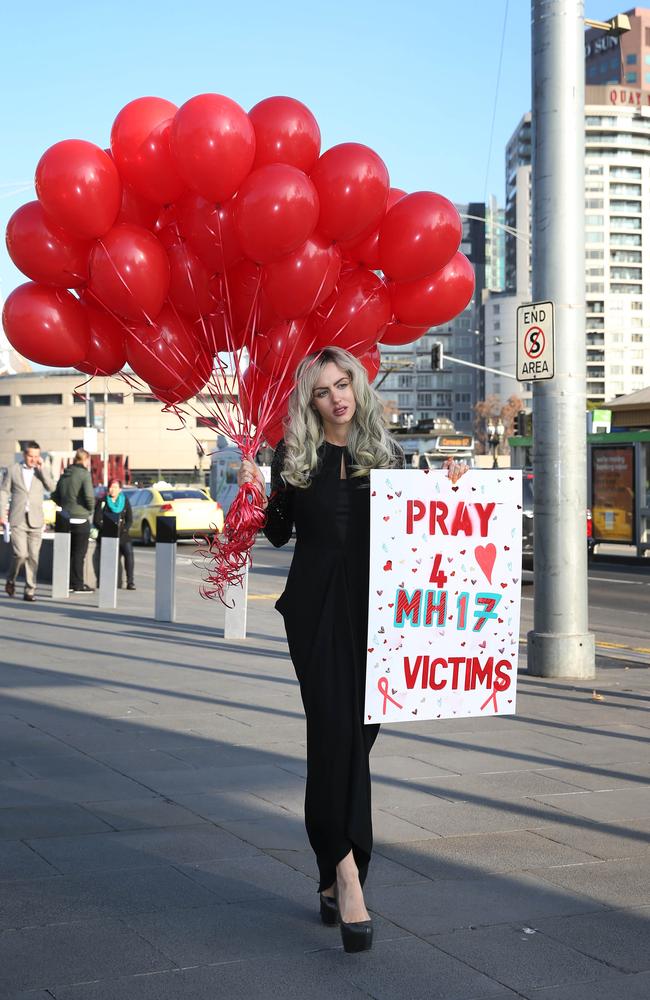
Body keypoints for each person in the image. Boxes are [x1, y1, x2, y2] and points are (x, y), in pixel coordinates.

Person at [238, 346, 469, 953]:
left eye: (344, 385)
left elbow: (424, 524)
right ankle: (348, 877)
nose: (337, 397)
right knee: (334, 734)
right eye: (323, 391)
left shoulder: (386, 455)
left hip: (378, 615)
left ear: (357, 388)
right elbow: (280, 533)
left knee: (353, 741)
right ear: (310, 403)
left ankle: (325, 874)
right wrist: (257, 489)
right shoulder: (296, 455)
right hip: (314, 612)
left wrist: (454, 483)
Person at [0, 440, 55, 602]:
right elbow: (4, 492)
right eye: (31, 456)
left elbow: (51, 488)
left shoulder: (41, 470)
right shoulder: (12, 470)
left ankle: (30, 590)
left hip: (36, 519)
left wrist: (42, 469)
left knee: (33, 557)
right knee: (20, 554)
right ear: (25, 455)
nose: (33, 459)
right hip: (18, 519)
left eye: (36, 456)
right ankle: (11, 579)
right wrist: (2, 513)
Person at [51, 449, 95, 594]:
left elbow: (55, 495)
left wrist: (65, 506)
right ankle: (78, 584)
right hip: (80, 518)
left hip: (65, 518)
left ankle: (66, 582)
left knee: (66, 552)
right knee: (79, 553)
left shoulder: (65, 474)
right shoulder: (84, 474)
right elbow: (89, 496)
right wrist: (89, 510)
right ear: (85, 460)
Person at [93, 480, 135, 589]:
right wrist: (107, 530)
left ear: (120, 489)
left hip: (122, 535)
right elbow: (96, 520)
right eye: (111, 487)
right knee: (108, 558)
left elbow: (129, 519)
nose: (113, 489)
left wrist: (124, 529)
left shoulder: (125, 501)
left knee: (129, 553)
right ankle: (106, 581)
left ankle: (130, 581)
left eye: (116, 487)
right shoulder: (102, 501)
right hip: (107, 535)